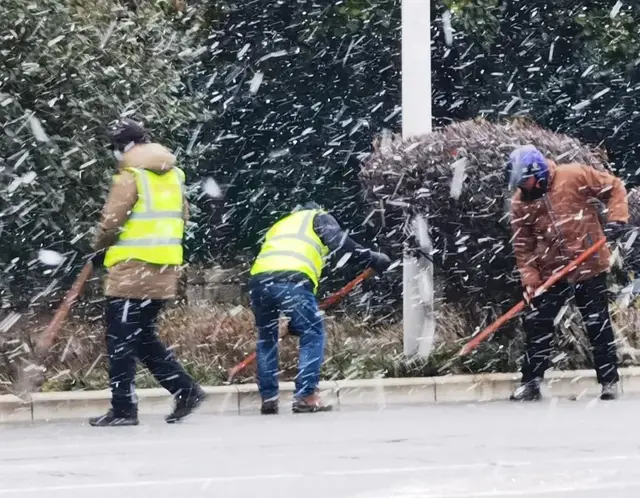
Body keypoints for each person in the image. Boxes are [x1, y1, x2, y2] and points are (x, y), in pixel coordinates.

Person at [88, 118, 205, 426]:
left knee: (120, 342)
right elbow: (183, 215)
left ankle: (124, 409)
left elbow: (112, 221)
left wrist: (99, 248)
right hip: (164, 268)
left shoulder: (130, 176)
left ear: (123, 147)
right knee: (141, 338)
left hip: (131, 270)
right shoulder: (175, 175)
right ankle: (185, 390)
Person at [506, 144, 629, 402]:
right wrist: (530, 279)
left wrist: (617, 219)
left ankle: (609, 382)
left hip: (590, 265)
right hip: (552, 272)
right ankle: (530, 382)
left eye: (526, 180)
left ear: (538, 172)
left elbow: (615, 186)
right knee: (538, 326)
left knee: (597, 324)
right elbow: (523, 246)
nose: (524, 187)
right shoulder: (520, 203)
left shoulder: (573, 175)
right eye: (520, 182)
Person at [248, 202, 391, 414]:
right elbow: (342, 244)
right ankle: (306, 396)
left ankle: (269, 397)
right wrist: (373, 257)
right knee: (313, 333)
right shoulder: (318, 216)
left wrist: (296, 319)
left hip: (258, 281)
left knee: (266, 338)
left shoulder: (282, 224)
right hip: (292, 280)